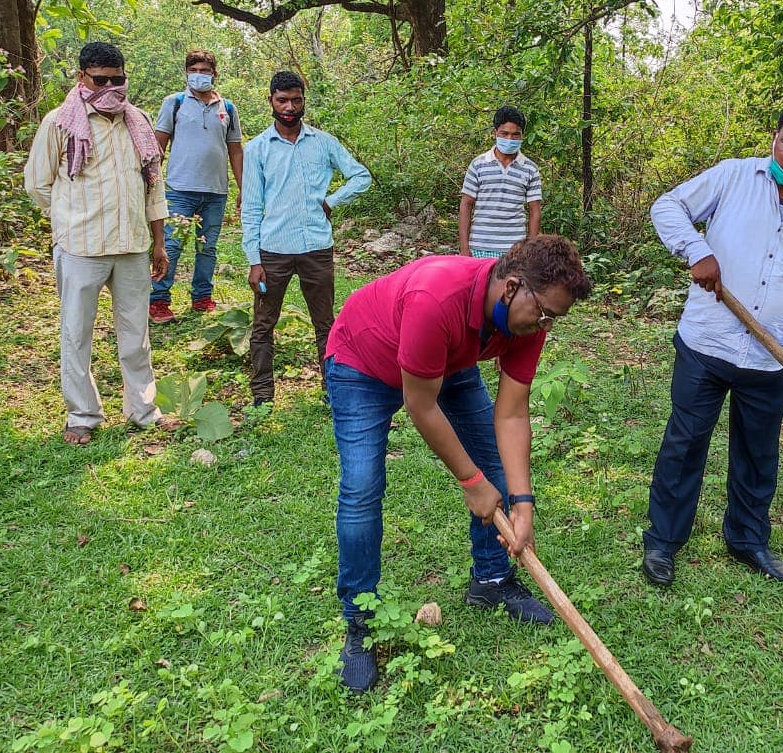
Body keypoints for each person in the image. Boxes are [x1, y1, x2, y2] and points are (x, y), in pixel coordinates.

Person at [325, 235, 592, 692]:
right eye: (544, 313)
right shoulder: (437, 297)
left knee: (494, 462)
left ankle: (491, 580)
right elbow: (421, 406)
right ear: (512, 287)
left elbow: (511, 413)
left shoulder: (527, 323)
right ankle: (360, 619)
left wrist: (521, 501)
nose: (546, 325)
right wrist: (471, 482)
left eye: (554, 319)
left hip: (445, 362)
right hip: (363, 364)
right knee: (362, 487)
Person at [641, 98, 783, 588]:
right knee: (685, 441)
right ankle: (664, 542)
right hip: (706, 342)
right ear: (775, 137)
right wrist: (697, 249)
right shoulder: (733, 176)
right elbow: (667, 206)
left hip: (770, 356)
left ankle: (747, 540)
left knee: (759, 453)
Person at [24, 41, 172, 446]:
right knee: (76, 334)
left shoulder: (137, 122)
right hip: (81, 248)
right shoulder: (60, 123)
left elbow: (153, 188)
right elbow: (38, 184)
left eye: (117, 79)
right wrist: (71, 220)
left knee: (135, 334)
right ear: (81, 78)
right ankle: (82, 415)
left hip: (132, 247)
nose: (110, 87)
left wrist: (158, 243)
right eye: (100, 79)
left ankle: (144, 411)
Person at [241, 71, 370, 407]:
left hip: (316, 248)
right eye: (282, 100)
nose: (289, 107)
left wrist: (332, 200)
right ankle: (262, 397)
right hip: (273, 252)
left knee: (326, 323)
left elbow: (361, 176)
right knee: (263, 325)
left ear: (303, 101)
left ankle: (333, 390)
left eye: (296, 100)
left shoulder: (324, 143)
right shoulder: (256, 149)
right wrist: (254, 260)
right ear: (270, 100)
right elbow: (251, 207)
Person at [149, 49, 243, 322]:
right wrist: (151, 183)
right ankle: (158, 300)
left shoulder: (227, 108)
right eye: (194, 70)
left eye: (205, 71)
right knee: (172, 245)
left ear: (215, 74)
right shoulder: (175, 102)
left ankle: (202, 297)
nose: (199, 75)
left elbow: (235, 150)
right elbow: (159, 143)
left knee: (207, 248)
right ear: (187, 73)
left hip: (215, 191)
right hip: (179, 189)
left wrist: (242, 188)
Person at [459, 105, 542, 258]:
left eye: (515, 134)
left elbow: (534, 211)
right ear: (495, 133)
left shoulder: (530, 169)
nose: (509, 139)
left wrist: (530, 249)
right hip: (479, 247)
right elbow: (466, 204)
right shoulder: (478, 164)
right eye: (504, 133)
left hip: (514, 251)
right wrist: (465, 248)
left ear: (522, 135)